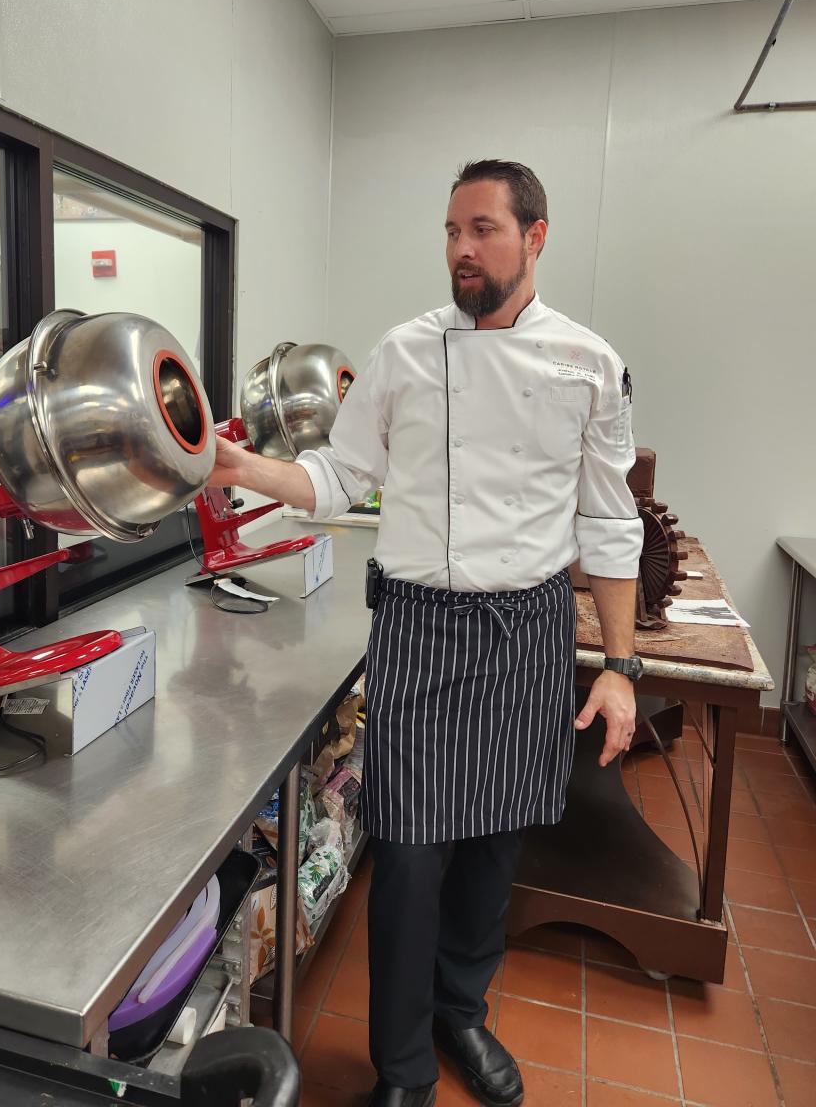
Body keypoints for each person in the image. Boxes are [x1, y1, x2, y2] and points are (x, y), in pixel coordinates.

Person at [210, 160, 643, 1107]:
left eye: (483, 229)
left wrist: (619, 666)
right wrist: (240, 465)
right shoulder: (405, 352)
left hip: (527, 628)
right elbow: (337, 477)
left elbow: (611, 525)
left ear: (535, 237)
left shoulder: (588, 363)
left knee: (494, 849)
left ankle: (463, 1014)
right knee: (407, 861)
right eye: (451, 230)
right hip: (419, 628)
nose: (460, 248)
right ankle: (402, 1067)